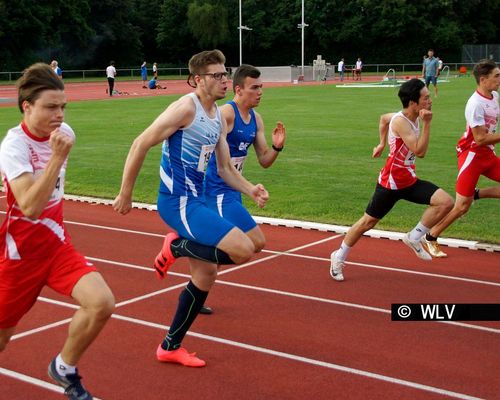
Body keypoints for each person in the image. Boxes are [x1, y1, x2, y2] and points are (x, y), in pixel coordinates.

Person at [113, 50, 268, 367]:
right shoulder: (186, 107)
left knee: (206, 275)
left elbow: (225, 169)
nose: (224, 80)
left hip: (197, 200)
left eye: (225, 74)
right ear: (198, 79)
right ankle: (177, 246)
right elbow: (141, 142)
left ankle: (170, 346)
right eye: (217, 75)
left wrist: (250, 188)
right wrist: (125, 193)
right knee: (242, 249)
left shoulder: (215, 118)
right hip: (177, 201)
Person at [0, 63, 115, 400]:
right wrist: (54, 159)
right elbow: (31, 207)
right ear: (27, 106)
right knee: (3, 338)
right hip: (20, 257)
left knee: (102, 303)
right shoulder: (13, 146)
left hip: (57, 246)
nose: (59, 115)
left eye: (63, 106)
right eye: (51, 107)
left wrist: (57, 152)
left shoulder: (65, 134)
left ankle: (63, 367)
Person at [329, 78, 454, 281]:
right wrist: (428, 124)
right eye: (426, 98)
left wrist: (380, 144)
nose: (430, 100)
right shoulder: (401, 121)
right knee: (367, 222)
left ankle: (413, 237)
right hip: (391, 183)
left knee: (445, 202)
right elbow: (420, 151)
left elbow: (382, 119)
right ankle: (338, 255)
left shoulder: (401, 116)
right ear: (414, 103)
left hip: (409, 179)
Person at [202, 64, 286, 314]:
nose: (260, 92)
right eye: (255, 88)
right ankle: (189, 248)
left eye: (261, 87)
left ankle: (196, 289)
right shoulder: (226, 114)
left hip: (234, 191)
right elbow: (214, 159)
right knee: (255, 242)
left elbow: (264, 161)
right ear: (238, 90)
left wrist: (277, 147)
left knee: (222, 248)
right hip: (217, 191)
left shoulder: (256, 120)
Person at [422, 59, 500, 258]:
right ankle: (431, 236)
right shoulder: (475, 104)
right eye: (496, 76)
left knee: (466, 201)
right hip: (472, 155)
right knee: (461, 207)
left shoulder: (494, 96)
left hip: (488, 155)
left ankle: (477, 194)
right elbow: (480, 138)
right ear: (483, 79)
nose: (499, 80)